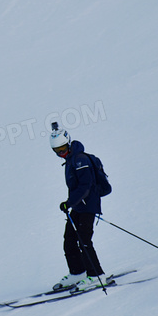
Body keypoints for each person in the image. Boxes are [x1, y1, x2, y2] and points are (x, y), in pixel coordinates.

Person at [49, 123, 107, 292]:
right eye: (57, 151)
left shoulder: (80, 159)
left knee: (84, 240)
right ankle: (77, 272)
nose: (61, 153)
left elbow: (85, 186)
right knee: (69, 240)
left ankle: (97, 276)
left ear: (68, 142)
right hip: (78, 206)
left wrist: (69, 202)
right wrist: (71, 203)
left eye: (62, 149)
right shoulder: (70, 160)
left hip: (88, 205)